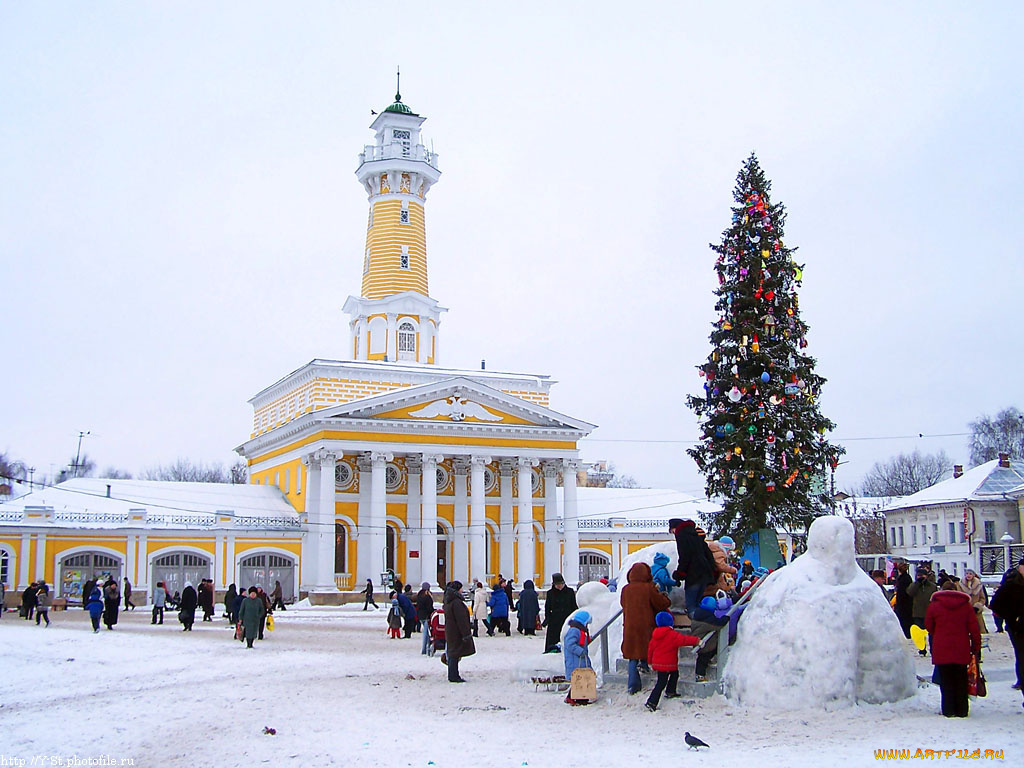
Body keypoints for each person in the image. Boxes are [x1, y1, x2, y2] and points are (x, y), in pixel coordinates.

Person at [925, 580, 981, 717]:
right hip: (961, 646)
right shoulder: (966, 606)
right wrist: (976, 646)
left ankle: (948, 709)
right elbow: (974, 628)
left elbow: (928, 625)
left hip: (942, 646)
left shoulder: (934, 605)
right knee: (960, 679)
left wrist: (938, 633)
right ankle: (962, 710)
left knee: (946, 680)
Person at [620, 561, 670, 695]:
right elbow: (660, 603)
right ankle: (646, 666)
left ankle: (632, 685)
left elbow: (622, 604)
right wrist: (664, 596)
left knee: (632, 655)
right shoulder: (648, 588)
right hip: (646, 625)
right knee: (646, 648)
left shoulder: (626, 589)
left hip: (630, 626)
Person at [644, 611, 700, 712]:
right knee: (661, 683)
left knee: (674, 674)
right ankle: (651, 702)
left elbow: (650, 649)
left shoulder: (655, 635)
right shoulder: (672, 635)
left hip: (659, 664)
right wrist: (696, 640)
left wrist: (650, 661)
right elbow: (684, 640)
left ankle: (670, 691)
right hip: (668, 664)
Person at [989, 556, 1024, 704]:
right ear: (1020, 567)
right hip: (1018, 628)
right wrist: (1012, 617)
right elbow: (995, 604)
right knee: (1023, 658)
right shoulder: (1011, 583)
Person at [668, 519, 716, 617]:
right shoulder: (696, 534)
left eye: (673, 531)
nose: (674, 534)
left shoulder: (682, 536)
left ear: (675, 528)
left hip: (693, 575)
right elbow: (708, 554)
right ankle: (703, 627)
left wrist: (679, 574)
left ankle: (697, 628)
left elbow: (684, 557)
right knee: (698, 604)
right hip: (704, 574)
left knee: (691, 607)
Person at [443, 581, 474, 683]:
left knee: (453, 652)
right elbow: (461, 619)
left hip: (451, 630)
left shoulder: (449, 601)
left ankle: (453, 674)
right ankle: (453, 675)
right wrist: (466, 634)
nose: (462, 590)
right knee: (454, 653)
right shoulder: (456, 603)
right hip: (456, 631)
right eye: (460, 588)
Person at [563, 610, 593, 705]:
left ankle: (581, 698)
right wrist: (580, 651)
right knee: (578, 678)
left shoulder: (580, 631)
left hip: (580, 660)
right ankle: (575, 698)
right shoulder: (574, 631)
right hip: (575, 660)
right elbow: (569, 644)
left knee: (581, 678)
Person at [907, 566, 938, 655]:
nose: (920, 577)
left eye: (922, 575)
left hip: (930, 613)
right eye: (919, 575)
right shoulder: (914, 585)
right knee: (920, 633)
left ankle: (933, 649)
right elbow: (910, 592)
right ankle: (922, 649)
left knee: (931, 633)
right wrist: (917, 583)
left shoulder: (932, 586)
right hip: (918, 612)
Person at [543, 573, 577, 653]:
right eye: (557, 584)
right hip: (555, 621)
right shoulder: (550, 593)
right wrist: (548, 619)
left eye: (560, 584)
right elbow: (547, 607)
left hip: (567, 619)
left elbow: (574, 606)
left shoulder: (570, 592)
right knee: (553, 640)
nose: (559, 586)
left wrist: (574, 618)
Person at [961, 570, 988, 634]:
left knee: (978, 631)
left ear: (973, 575)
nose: (968, 575)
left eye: (970, 574)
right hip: (964, 611)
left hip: (976, 611)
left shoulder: (978, 585)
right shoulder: (960, 585)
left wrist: (978, 605)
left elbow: (982, 598)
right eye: (967, 573)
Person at [893, 561, 913, 638]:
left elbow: (900, 594)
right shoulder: (908, 578)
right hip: (908, 603)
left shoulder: (901, 579)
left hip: (902, 605)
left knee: (903, 622)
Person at [415, 582, 434, 654]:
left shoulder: (419, 595)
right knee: (426, 633)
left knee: (426, 632)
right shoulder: (427, 596)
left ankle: (426, 646)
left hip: (420, 616)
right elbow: (429, 607)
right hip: (426, 616)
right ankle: (424, 649)